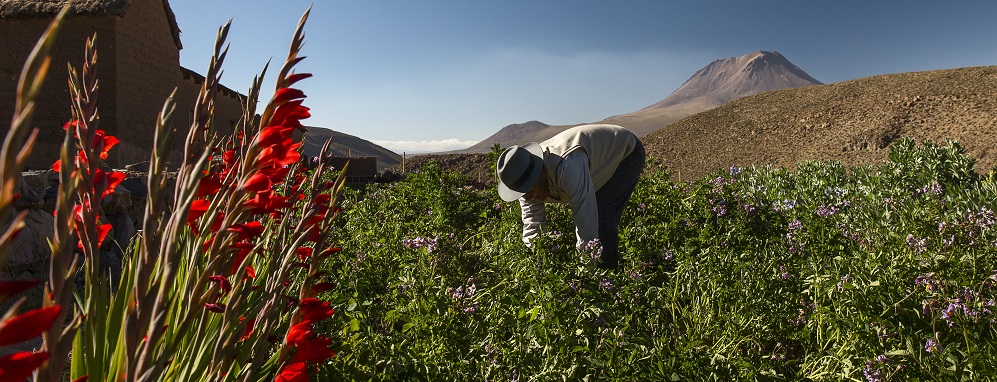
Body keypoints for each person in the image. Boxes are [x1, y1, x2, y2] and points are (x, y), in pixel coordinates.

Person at [495, 124, 645, 269]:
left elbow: (586, 222)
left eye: (530, 191)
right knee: (594, 212)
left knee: (602, 218)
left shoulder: (568, 165)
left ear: (539, 173)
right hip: (592, 164)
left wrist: (585, 272)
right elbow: (533, 226)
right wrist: (538, 265)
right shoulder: (522, 183)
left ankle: (608, 278)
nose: (529, 198)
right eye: (523, 194)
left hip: (624, 152)